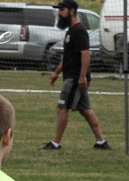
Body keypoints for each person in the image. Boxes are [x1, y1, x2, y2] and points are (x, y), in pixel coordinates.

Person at [42, 0, 110, 150]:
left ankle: (55, 143)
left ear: (71, 11)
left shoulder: (79, 31)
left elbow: (85, 54)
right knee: (85, 110)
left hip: (75, 77)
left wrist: (82, 76)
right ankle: (101, 142)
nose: (59, 13)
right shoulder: (71, 31)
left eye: (62, 10)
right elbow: (68, 57)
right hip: (72, 76)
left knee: (62, 108)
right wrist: (56, 73)